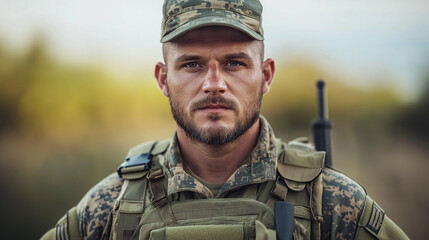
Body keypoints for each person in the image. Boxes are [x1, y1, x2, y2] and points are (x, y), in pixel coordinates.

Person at [41, 0, 409, 239]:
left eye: (234, 62)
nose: (214, 84)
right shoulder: (110, 208)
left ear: (265, 75)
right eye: (191, 64)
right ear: (162, 78)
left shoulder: (332, 203)